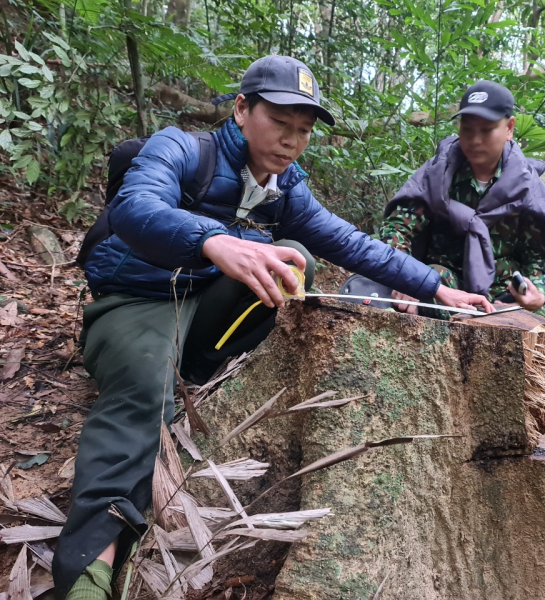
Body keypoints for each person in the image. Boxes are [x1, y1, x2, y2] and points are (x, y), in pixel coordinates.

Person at [53, 56, 492, 600]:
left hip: (203, 308)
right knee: (143, 396)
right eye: (279, 123)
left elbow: (352, 244)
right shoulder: (183, 149)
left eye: (302, 131)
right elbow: (133, 207)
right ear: (241, 109)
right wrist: (213, 240)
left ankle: (197, 374)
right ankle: (88, 569)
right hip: (137, 299)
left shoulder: (285, 189)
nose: (290, 141)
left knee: (295, 258)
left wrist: (434, 287)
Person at [379, 80, 545, 314]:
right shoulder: (438, 174)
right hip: (442, 282)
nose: (475, 140)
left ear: (509, 128)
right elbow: (397, 229)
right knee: (420, 294)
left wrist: (538, 294)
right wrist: (408, 277)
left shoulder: (526, 187)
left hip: (501, 296)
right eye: (467, 129)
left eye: (486, 130)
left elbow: (539, 257)